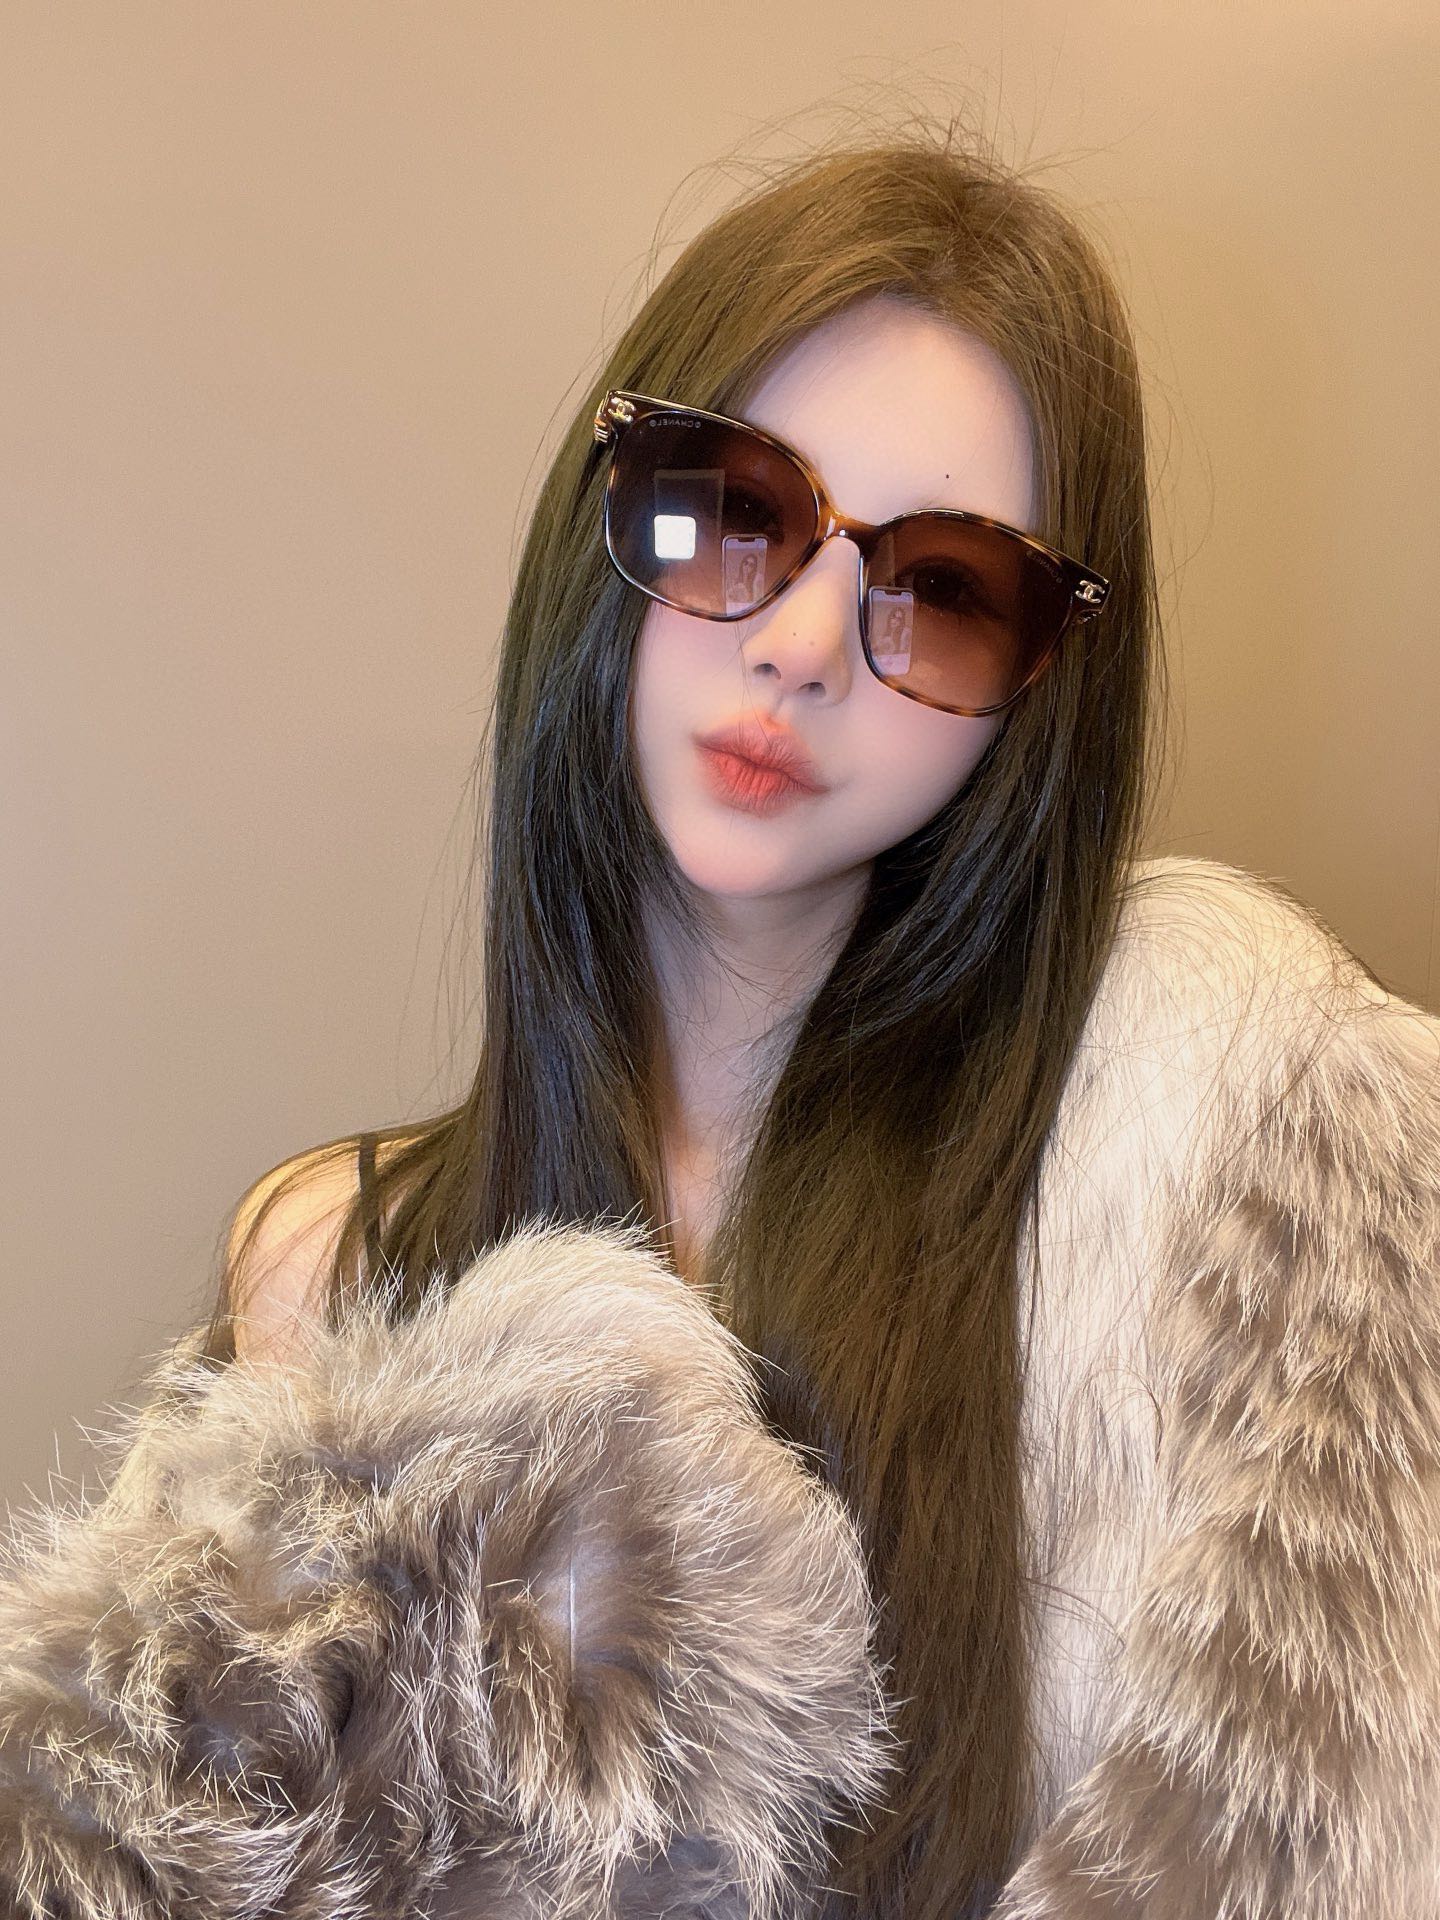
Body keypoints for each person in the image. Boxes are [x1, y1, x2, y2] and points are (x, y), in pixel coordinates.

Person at [118, 130, 1440, 1916]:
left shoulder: (1160, 1214)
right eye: (736, 507)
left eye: (947, 589)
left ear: (1042, 688)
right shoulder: (331, 1273)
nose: (807, 643)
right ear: (604, 519)